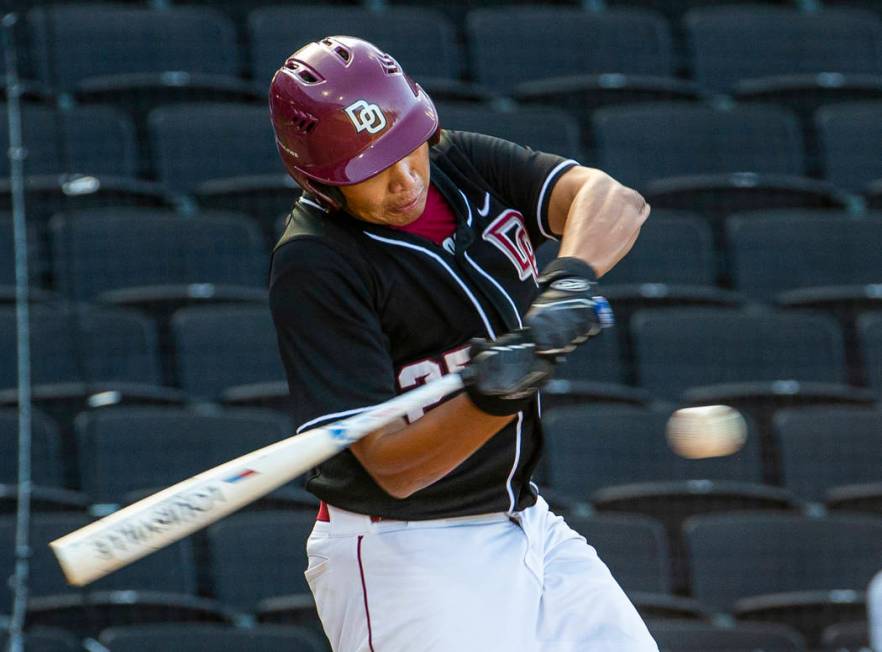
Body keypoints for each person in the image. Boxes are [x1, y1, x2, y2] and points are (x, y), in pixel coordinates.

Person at [268, 35, 657, 652]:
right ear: (322, 182)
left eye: (406, 148)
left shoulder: (462, 163)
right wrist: (494, 397)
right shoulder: (315, 264)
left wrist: (570, 284)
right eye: (371, 169)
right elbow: (391, 467)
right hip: (403, 548)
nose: (403, 180)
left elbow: (614, 200)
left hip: (525, 522)